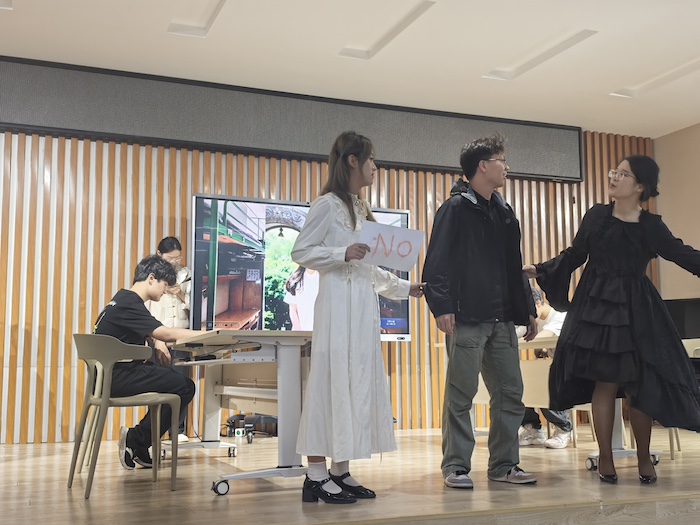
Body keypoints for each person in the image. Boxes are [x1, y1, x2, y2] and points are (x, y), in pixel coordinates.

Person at [524, 155, 700, 484]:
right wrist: (541, 269)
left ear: (641, 186)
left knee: (641, 386)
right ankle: (606, 457)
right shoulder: (596, 216)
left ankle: (644, 457)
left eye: (623, 174)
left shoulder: (651, 226)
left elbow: (680, 253)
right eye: (614, 171)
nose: (614, 177)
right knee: (604, 383)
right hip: (597, 309)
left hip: (637, 310)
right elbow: (575, 254)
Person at [291, 131, 424, 504]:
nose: (375, 167)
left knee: (354, 387)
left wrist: (407, 288)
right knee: (328, 385)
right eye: (371, 159)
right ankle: (315, 476)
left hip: (362, 314)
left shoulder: (361, 207)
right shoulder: (327, 204)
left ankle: (340, 471)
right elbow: (301, 251)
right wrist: (342, 252)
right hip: (336, 312)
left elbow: (369, 269)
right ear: (352, 161)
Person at [422, 134, 538, 490]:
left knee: (510, 393)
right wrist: (442, 306)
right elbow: (436, 262)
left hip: (502, 318)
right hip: (467, 316)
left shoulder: (505, 212)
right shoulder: (455, 209)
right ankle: (456, 466)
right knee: (461, 394)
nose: (507, 166)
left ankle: (504, 465)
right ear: (483, 166)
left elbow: (513, 265)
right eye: (501, 159)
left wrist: (528, 309)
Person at [94, 254, 204, 470]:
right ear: (152, 278)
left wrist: (156, 341)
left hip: (107, 376)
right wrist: (207, 333)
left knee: (168, 380)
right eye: (164, 285)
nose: (165, 291)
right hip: (117, 378)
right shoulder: (130, 303)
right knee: (184, 386)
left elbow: (149, 330)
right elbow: (166, 332)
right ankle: (136, 439)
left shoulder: (121, 299)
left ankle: (139, 444)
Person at [146, 236, 192, 442]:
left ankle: (178, 430)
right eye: (170, 258)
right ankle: (152, 431)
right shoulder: (150, 274)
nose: (174, 262)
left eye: (177, 258)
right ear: (159, 254)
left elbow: (196, 305)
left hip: (181, 337)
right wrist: (156, 339)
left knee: (181, 384)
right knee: (155, 386)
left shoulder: (186, 274)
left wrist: (180, 293)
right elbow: (146, 309)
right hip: (158, 337)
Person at [517, 286, 572, 449]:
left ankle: (564, 429)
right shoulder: (538, 321)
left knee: (542, 380)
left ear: (538, 303)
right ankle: (532, 428)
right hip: (555, 371)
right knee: (521, 380)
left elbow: (538, 340)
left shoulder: (560, 316)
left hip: (572, 373)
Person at [283, 265, 319, 331]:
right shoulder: (295, 280)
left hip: (321, 332)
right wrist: (299, 332)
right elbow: (293, 310)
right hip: (300, 332)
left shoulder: (325, 278)